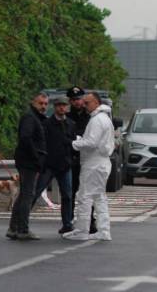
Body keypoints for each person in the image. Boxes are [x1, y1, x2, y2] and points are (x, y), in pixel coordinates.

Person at [63, 92, 115, 241]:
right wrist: (81, 140)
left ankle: (82, 230)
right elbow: (94, 140)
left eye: (87, 103)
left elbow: (91, 143)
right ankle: (103, 230)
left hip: (94, 163)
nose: (84, 105)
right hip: (101, 162)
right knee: (99, 197)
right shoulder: (104, 118)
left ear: (96, 103)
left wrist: (73, 143)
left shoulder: (97, 120)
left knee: (84, 196)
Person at [33, 96, 76, 234]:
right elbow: (42, 143)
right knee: (36, 192)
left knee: (67, 196)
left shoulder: (71, 124)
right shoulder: (47, 124)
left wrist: (71, 159)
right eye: (59, 105)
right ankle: (22, 221)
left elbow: (74, 143)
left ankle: (67, 224)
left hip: (65, 165)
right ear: (55, 107)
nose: (62, 108)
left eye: (64, 105)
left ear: (67, 107)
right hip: (49, 165)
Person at [7, 93, 48, 240]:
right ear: (33, 102)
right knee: (27, 195)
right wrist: (36, 158)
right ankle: (22, 229)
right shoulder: (30, 118)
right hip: (28, 162)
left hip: (28, 161)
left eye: (45, 104)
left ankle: (13, 228)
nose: (43, 106)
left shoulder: (36, 118)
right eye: (40, 103)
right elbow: (26, 138)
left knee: (24, 194)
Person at [66, 86, 97, 234]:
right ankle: (68, 222)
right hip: (72, 158)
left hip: (87, 158)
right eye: (73, 100)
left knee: (87, 191)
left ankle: (90, 221)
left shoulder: (91, 116)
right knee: (70, 192)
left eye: (79, 99)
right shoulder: (67, 117)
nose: (77, 102)